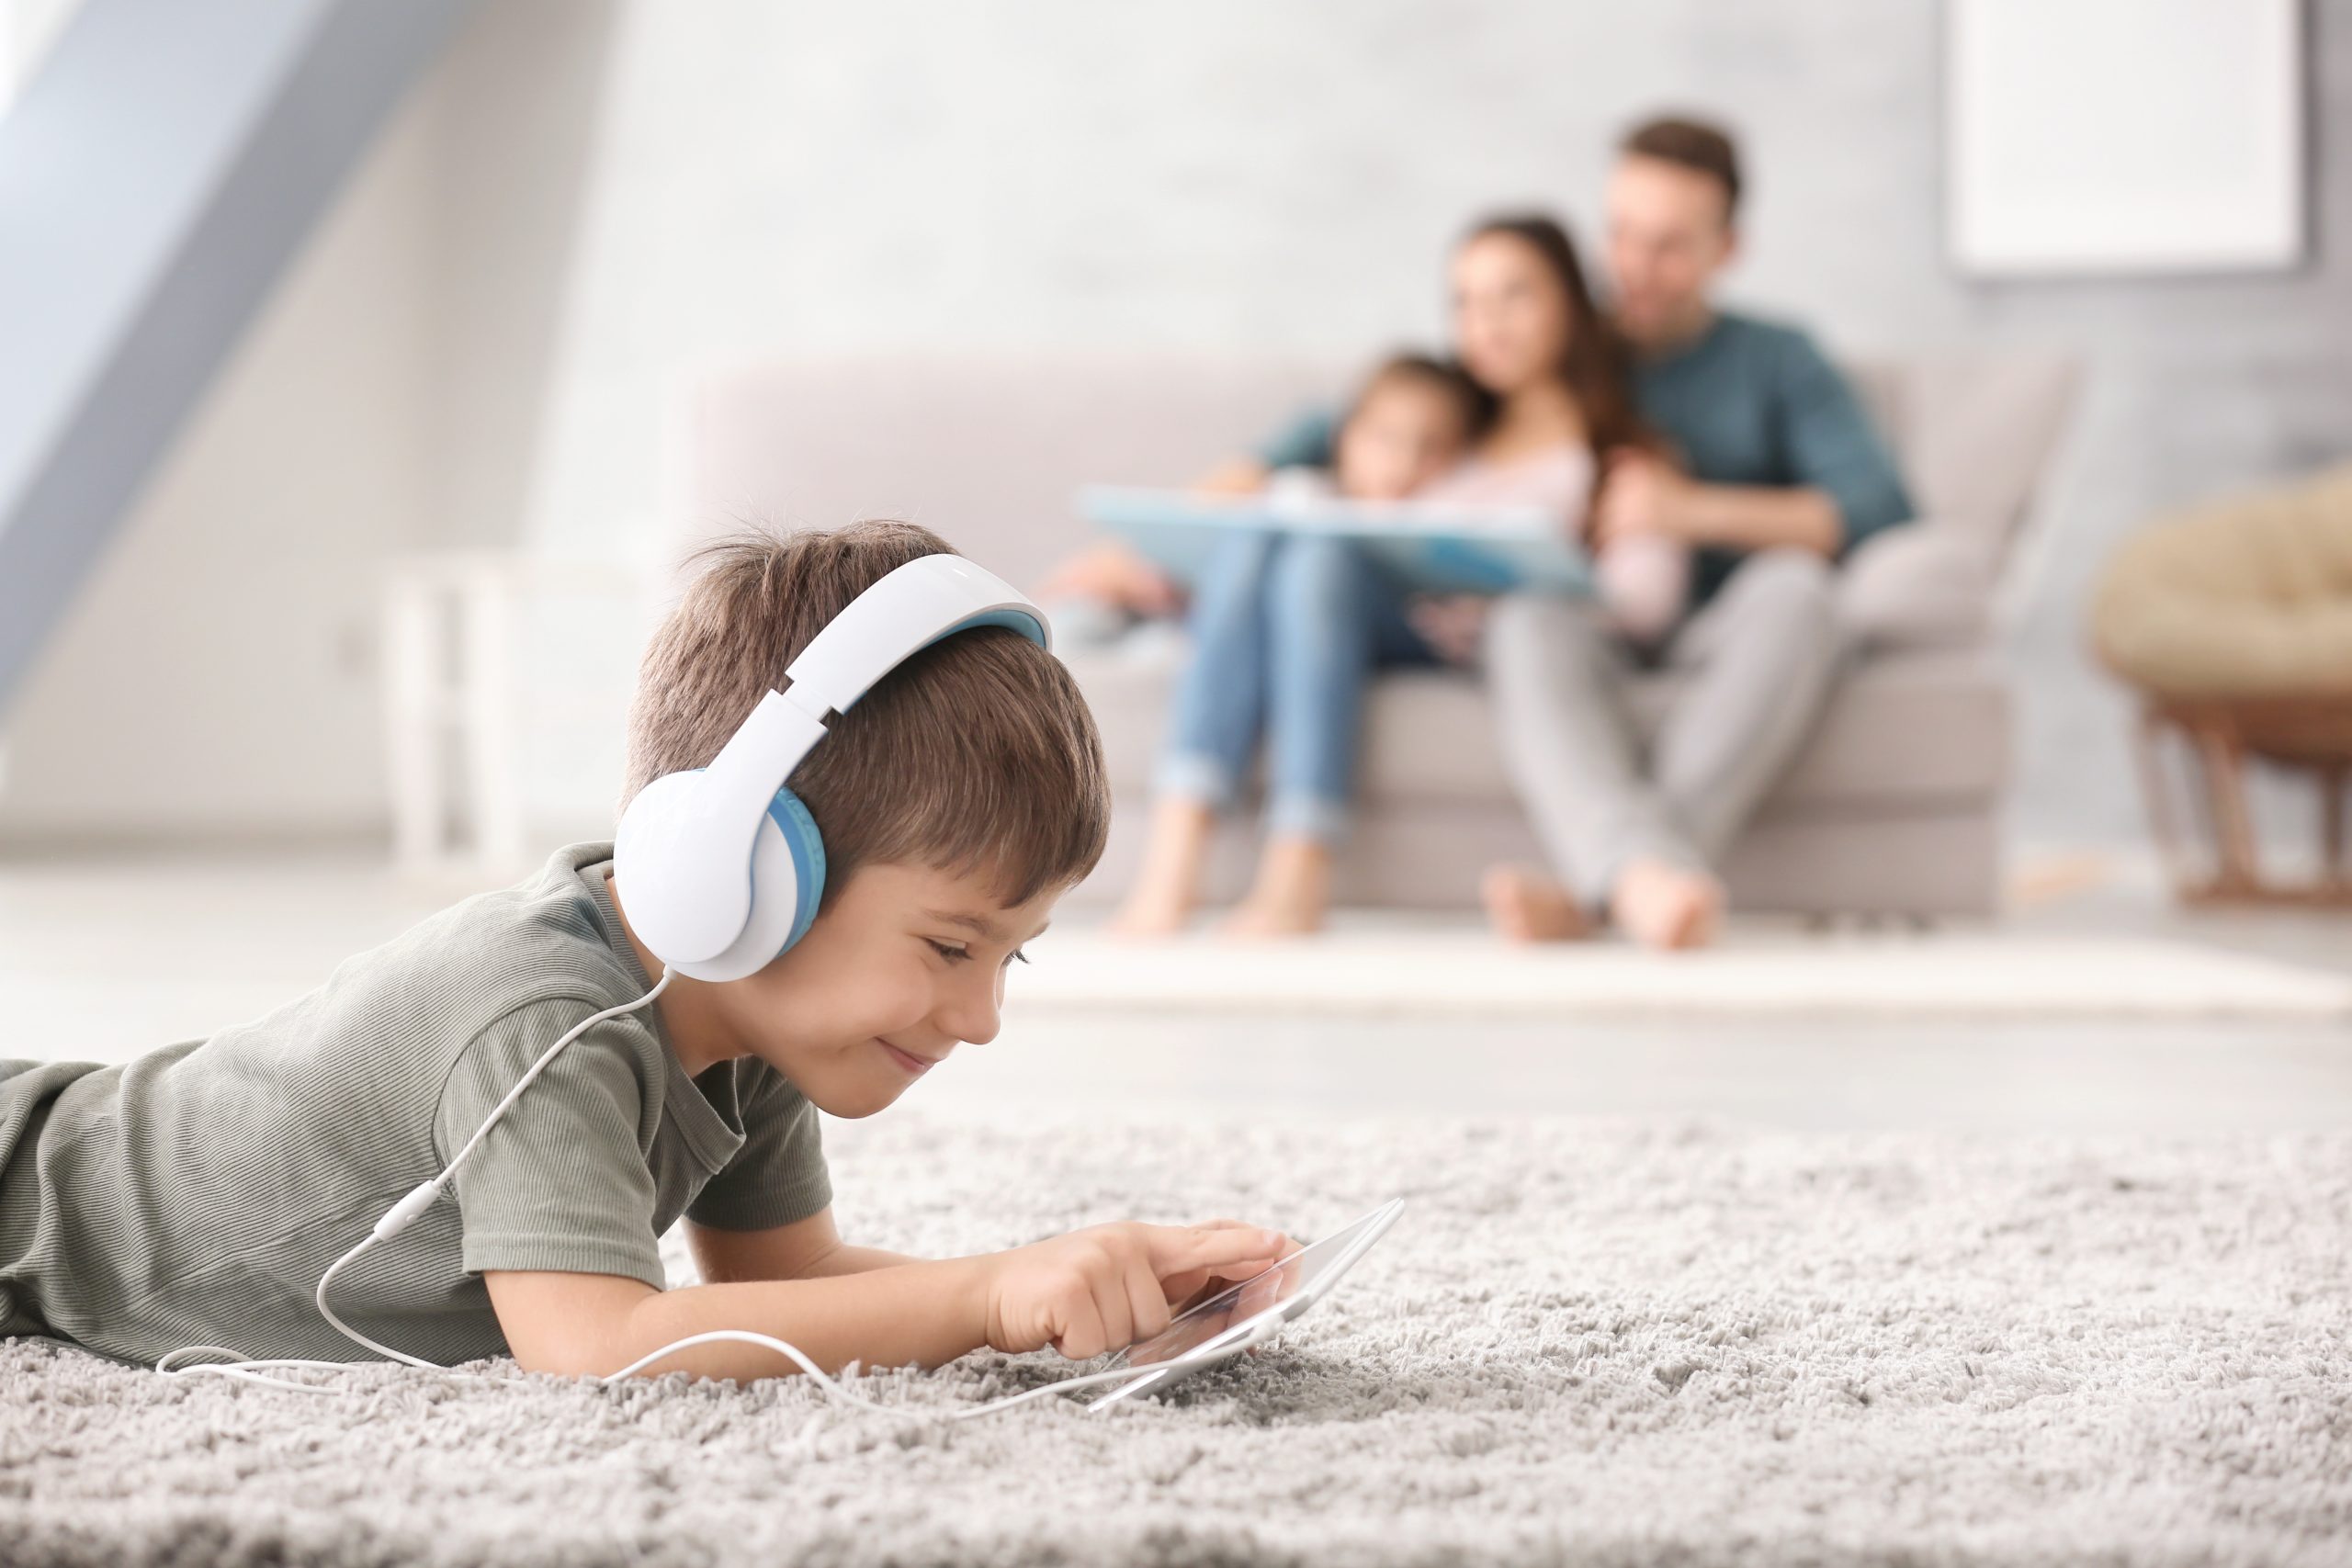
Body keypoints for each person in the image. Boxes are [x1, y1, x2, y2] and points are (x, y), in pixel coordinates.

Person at [0, 521, 1290, 1382]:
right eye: (953, 942)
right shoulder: (549, 1012)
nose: (980, 1015)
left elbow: (790, 1281)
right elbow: (597, 1340)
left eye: (1011, 957)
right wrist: (988, 1295)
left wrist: (1084, 1286)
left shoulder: (753, 1015)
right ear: (742, 868)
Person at [1111, 219, 1680, 937]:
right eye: (1466, 303)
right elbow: (1309, 448)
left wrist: (1543, 579)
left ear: (1570, 303)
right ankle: (1175, 857)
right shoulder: (1449, 413)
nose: (1488, 324)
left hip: (1467, 635)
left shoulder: (1612, 452)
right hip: (1363, 606)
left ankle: (1299, 870)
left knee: (1318, 556)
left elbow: (1644, 604)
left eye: (1514, 297)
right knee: (1271, 530)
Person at [1474, 115, 1915, 950]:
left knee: (1800, 591)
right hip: (1592, 623)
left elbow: (1875, 509)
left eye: (1671, 245)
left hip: (1723, 630)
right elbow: (1406, 408)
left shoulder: (1780, 359)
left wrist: (1693, 510)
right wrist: (1260, 463)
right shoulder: (1563, 336)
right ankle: (1645, 885)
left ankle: (1610, 885)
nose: (1636, 268)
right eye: (1622, 235)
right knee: (1522, 619)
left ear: (1729, 249)